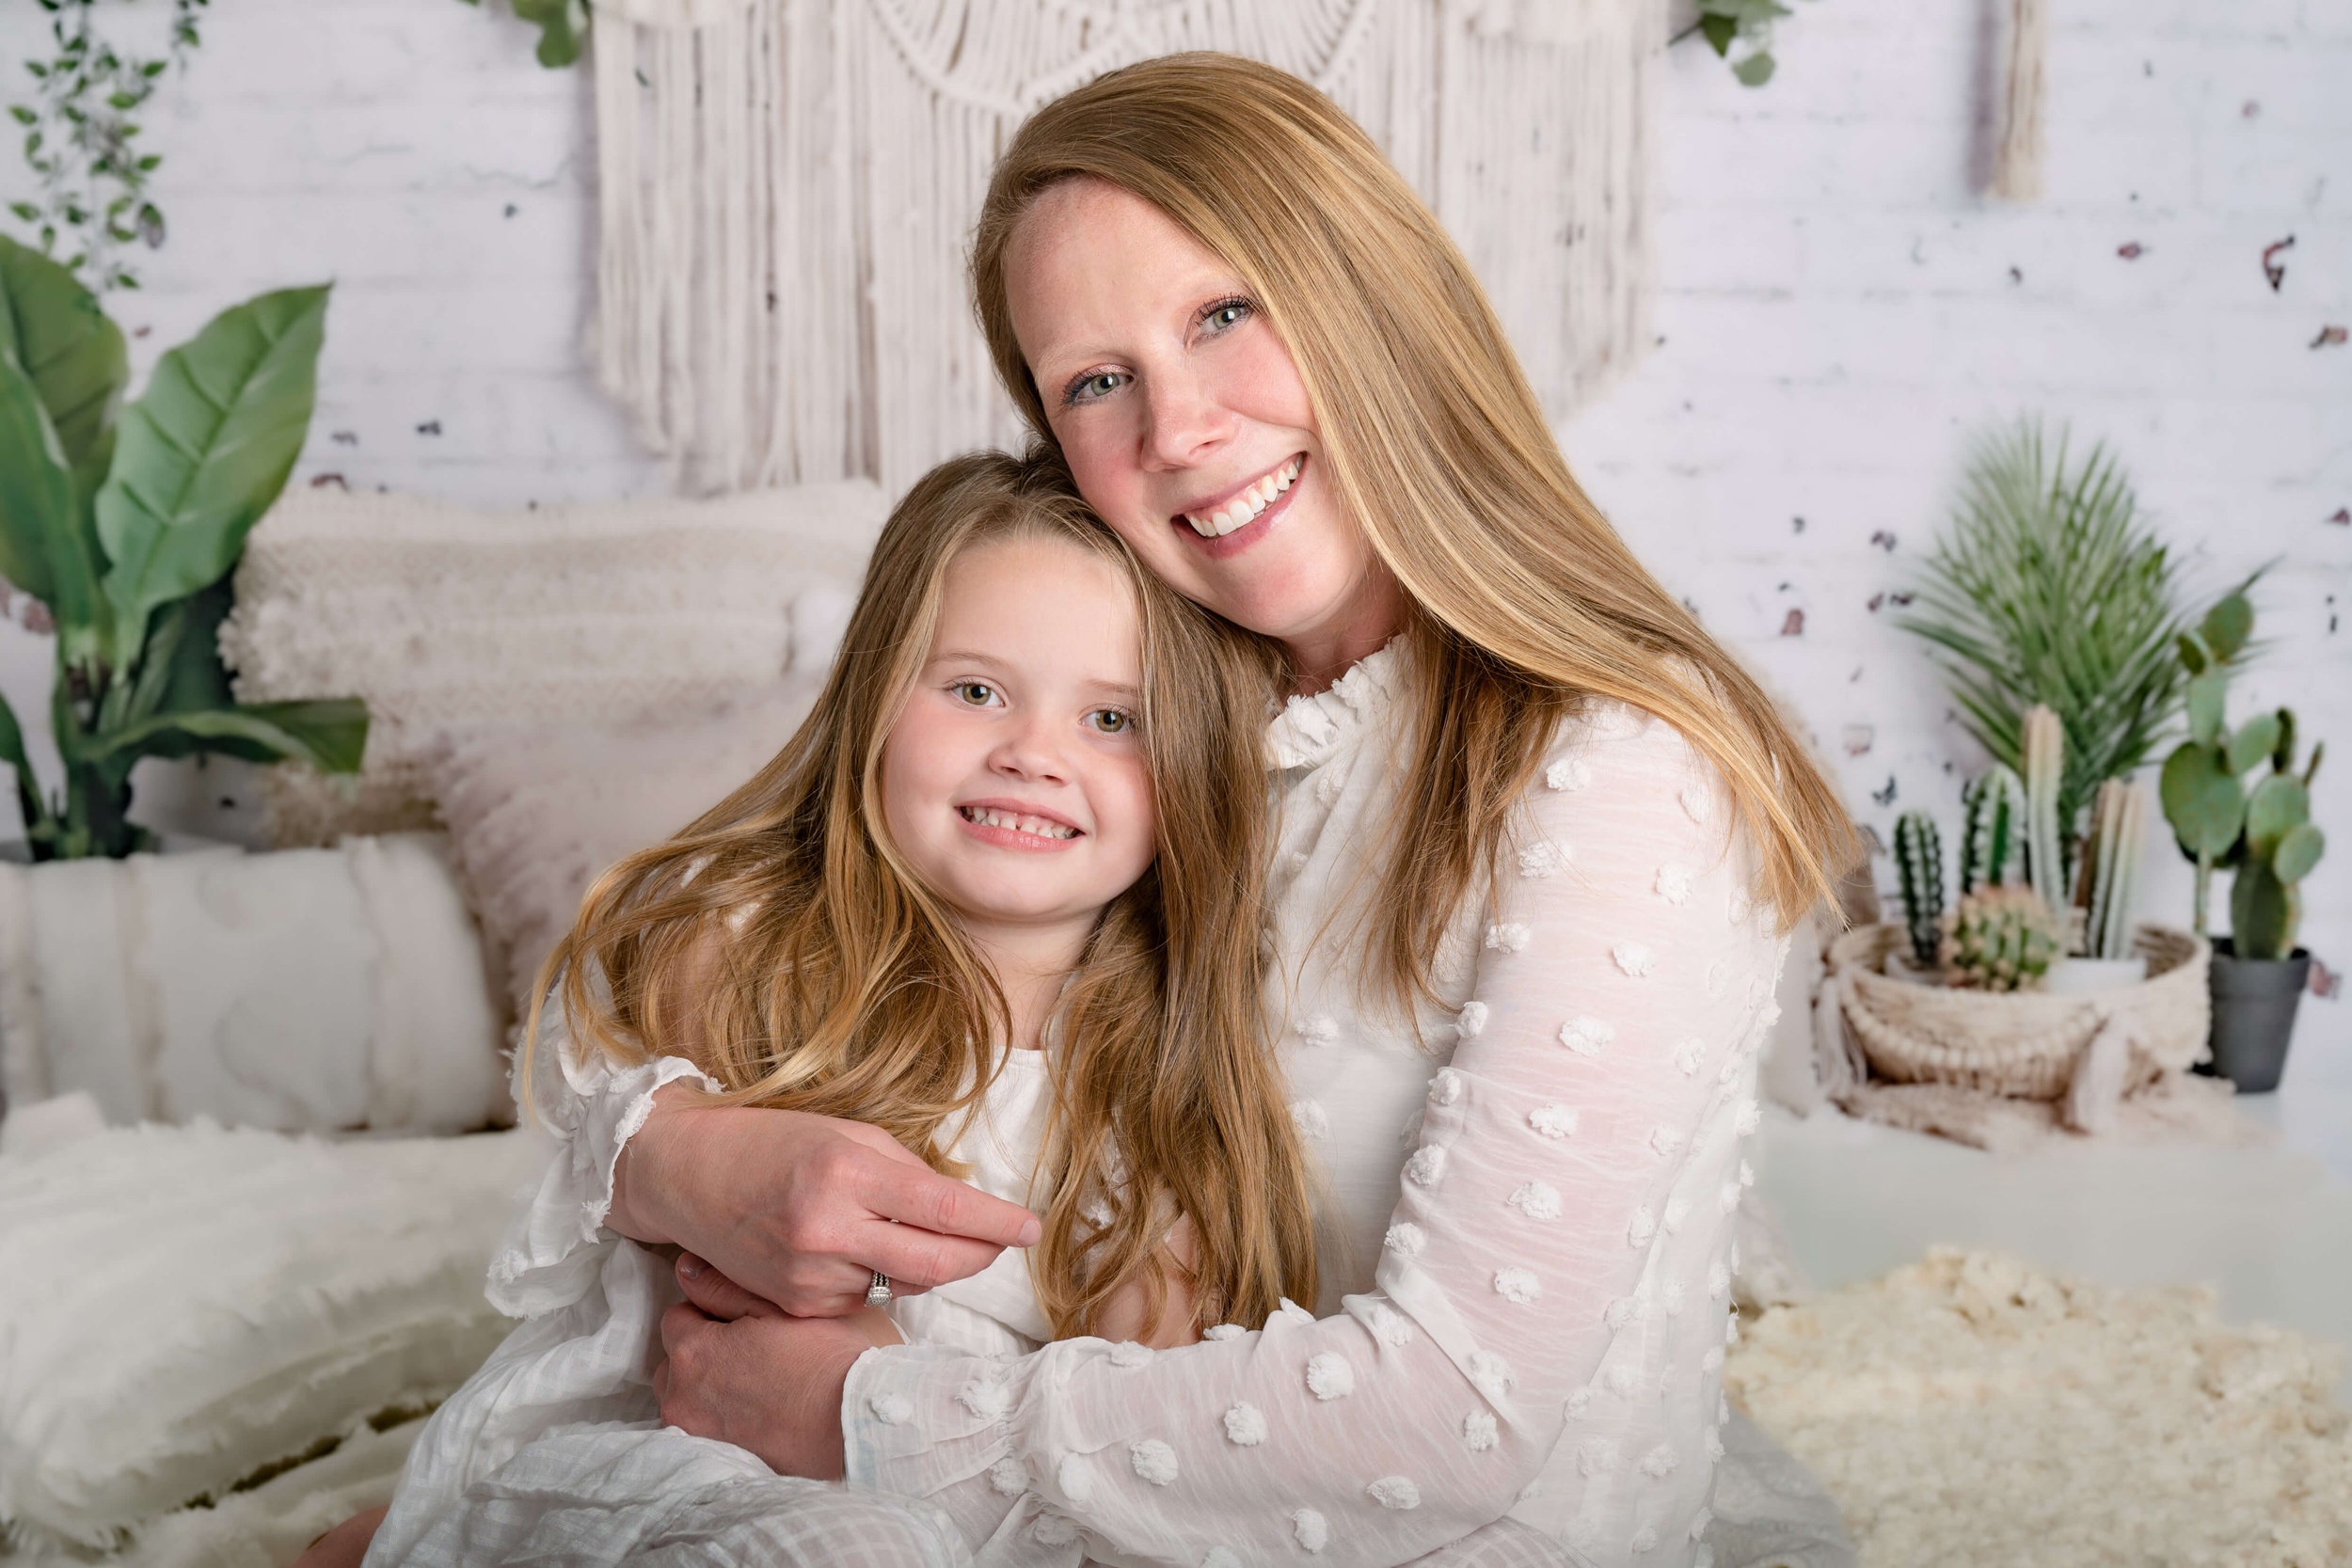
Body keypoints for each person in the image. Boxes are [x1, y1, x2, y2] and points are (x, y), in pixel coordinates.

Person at [596, 52, 1861, 1568]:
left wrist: (873, 1412)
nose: (1178, 428)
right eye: (1096, 381)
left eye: (1222, 313)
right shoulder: (1169, 714)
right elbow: (757, 904)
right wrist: (667, 1154)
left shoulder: (1622, 769)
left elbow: (1451, 1411)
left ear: (1367, 298)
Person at [327, 451, 1317, 1568]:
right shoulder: (757, 947)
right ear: (876, 700)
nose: (1033, 753)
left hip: (957, 1518)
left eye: (1111, 718)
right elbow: (583, 1056)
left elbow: (1133, 1430)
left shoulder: (1164, 1093)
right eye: (977, 689)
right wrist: (675, 1139)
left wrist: (892, 1389)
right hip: (662, 1458)